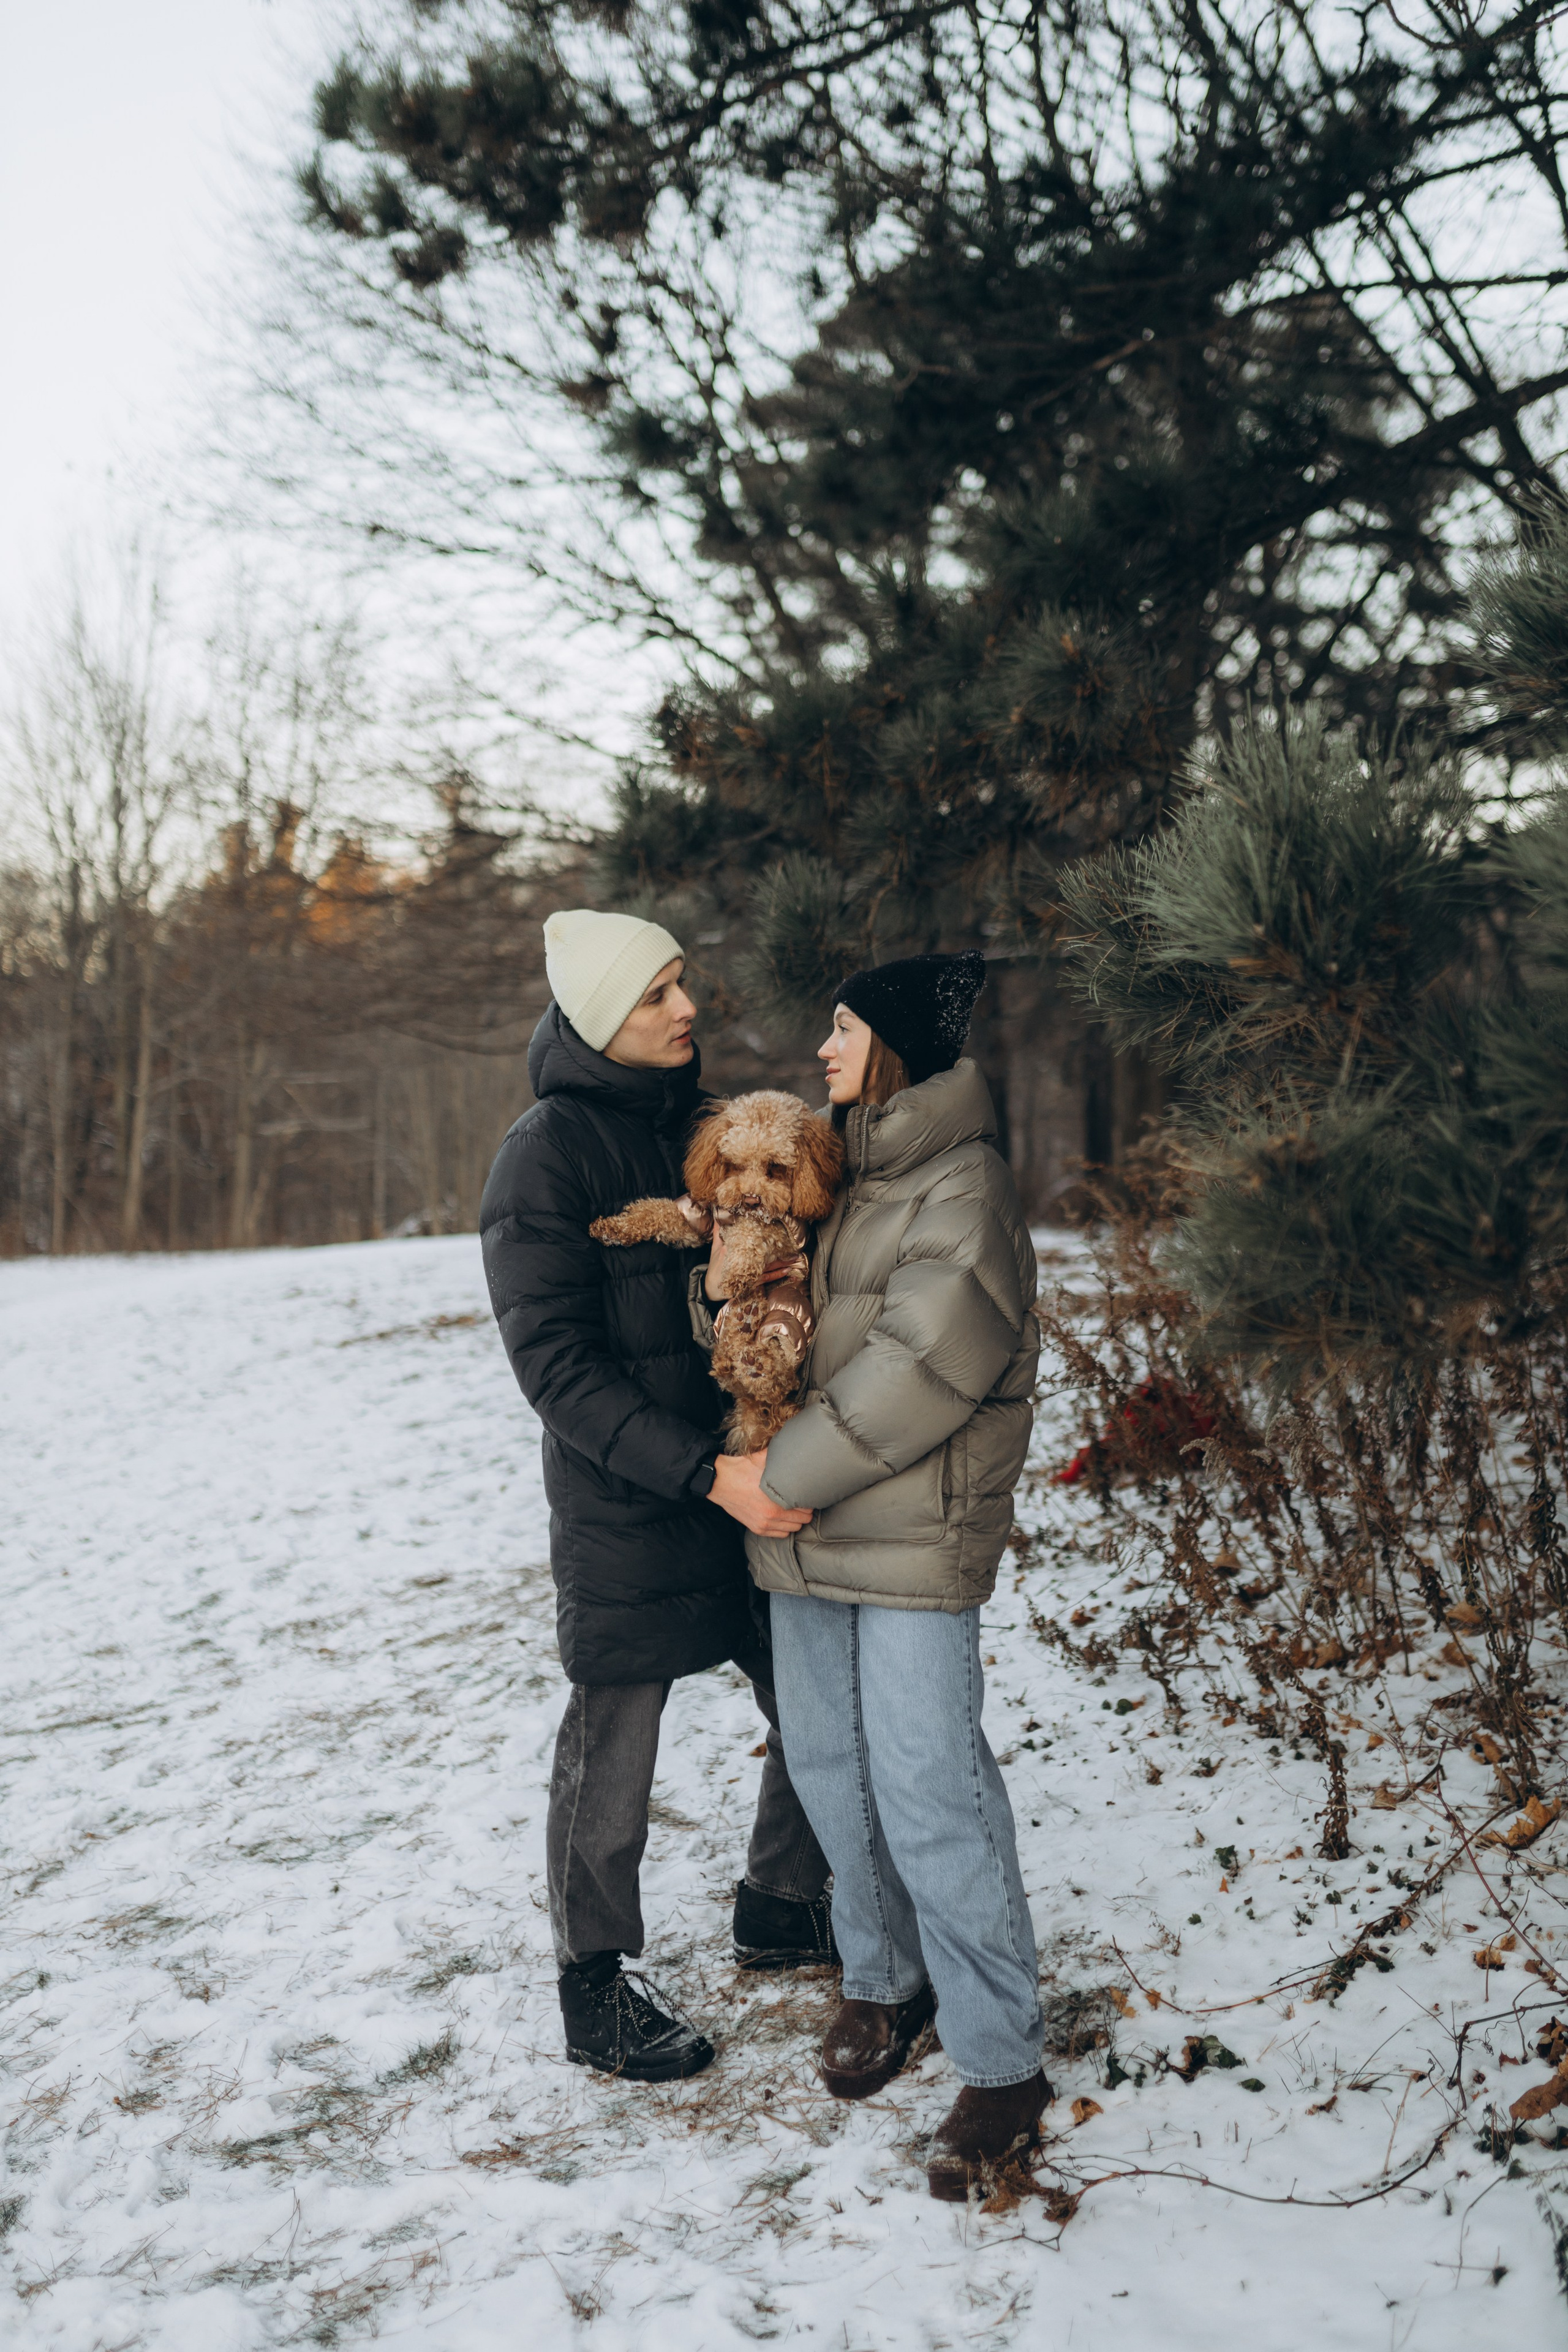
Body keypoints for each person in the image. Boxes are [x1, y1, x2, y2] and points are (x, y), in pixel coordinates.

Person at [480, 909, 833, 2085]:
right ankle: (593, 1986)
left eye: (683, 983)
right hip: (632, 1499)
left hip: (751, 1471)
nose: (687, 1008)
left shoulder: (711, 1127)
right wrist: (700, 1473)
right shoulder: (544, 1155)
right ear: (597, 1019)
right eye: (655, 995)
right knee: (614, 1742)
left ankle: (785, 1899)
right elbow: (555, 1368)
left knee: (813, 1695)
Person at [744, 950, 1049, 2199]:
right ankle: (884, 1978)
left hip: (910, 1529)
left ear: (896, 1044)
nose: (822, 1048)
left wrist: (777, 1474)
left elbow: (922, 1365)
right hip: (804, 1523)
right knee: (829, 1765)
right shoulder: (842, 1173)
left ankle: (1002, 2058)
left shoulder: (964, 1186)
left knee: (930, 1788)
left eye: (843, 1026)